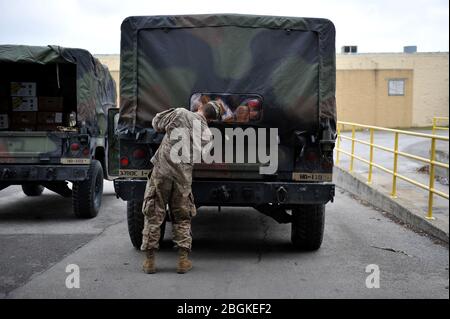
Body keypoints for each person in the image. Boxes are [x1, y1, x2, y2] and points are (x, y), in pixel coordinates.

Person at [141, 101, 222, 274]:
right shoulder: (208, 134)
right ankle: (183, 261)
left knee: (154, 214)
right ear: (212, 120)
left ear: (200, 107)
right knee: (182, 218)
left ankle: (150, 262)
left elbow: (156, 123)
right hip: (183, 178)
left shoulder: (180, 113)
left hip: (161, 173)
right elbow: (201, 156)